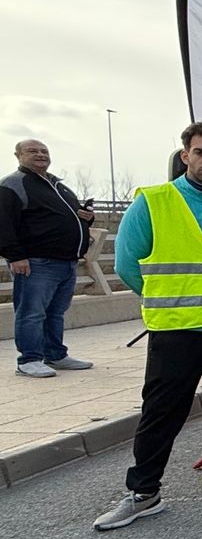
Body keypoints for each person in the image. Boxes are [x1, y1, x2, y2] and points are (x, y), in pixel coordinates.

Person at [96, 122, 202, 530]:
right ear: (185, 155)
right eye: (200, 152)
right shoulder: (153, 202)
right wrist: (168, 301)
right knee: (162, 411)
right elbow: (127, 264)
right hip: (177, 328)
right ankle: (144, 491)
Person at [3, 138, 95, 377]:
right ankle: (29, 359)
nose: (40, 154)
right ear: (18, 156)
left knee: (55, 312)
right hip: (36, 261)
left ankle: (55, 354)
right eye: (32, 151)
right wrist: (15, 256)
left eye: (44, 151)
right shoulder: (14, 184)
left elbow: (71, 217)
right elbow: (3, 223)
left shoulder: (58, 186)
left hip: (66, 261)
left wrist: (86, 218)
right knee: (31, 312)